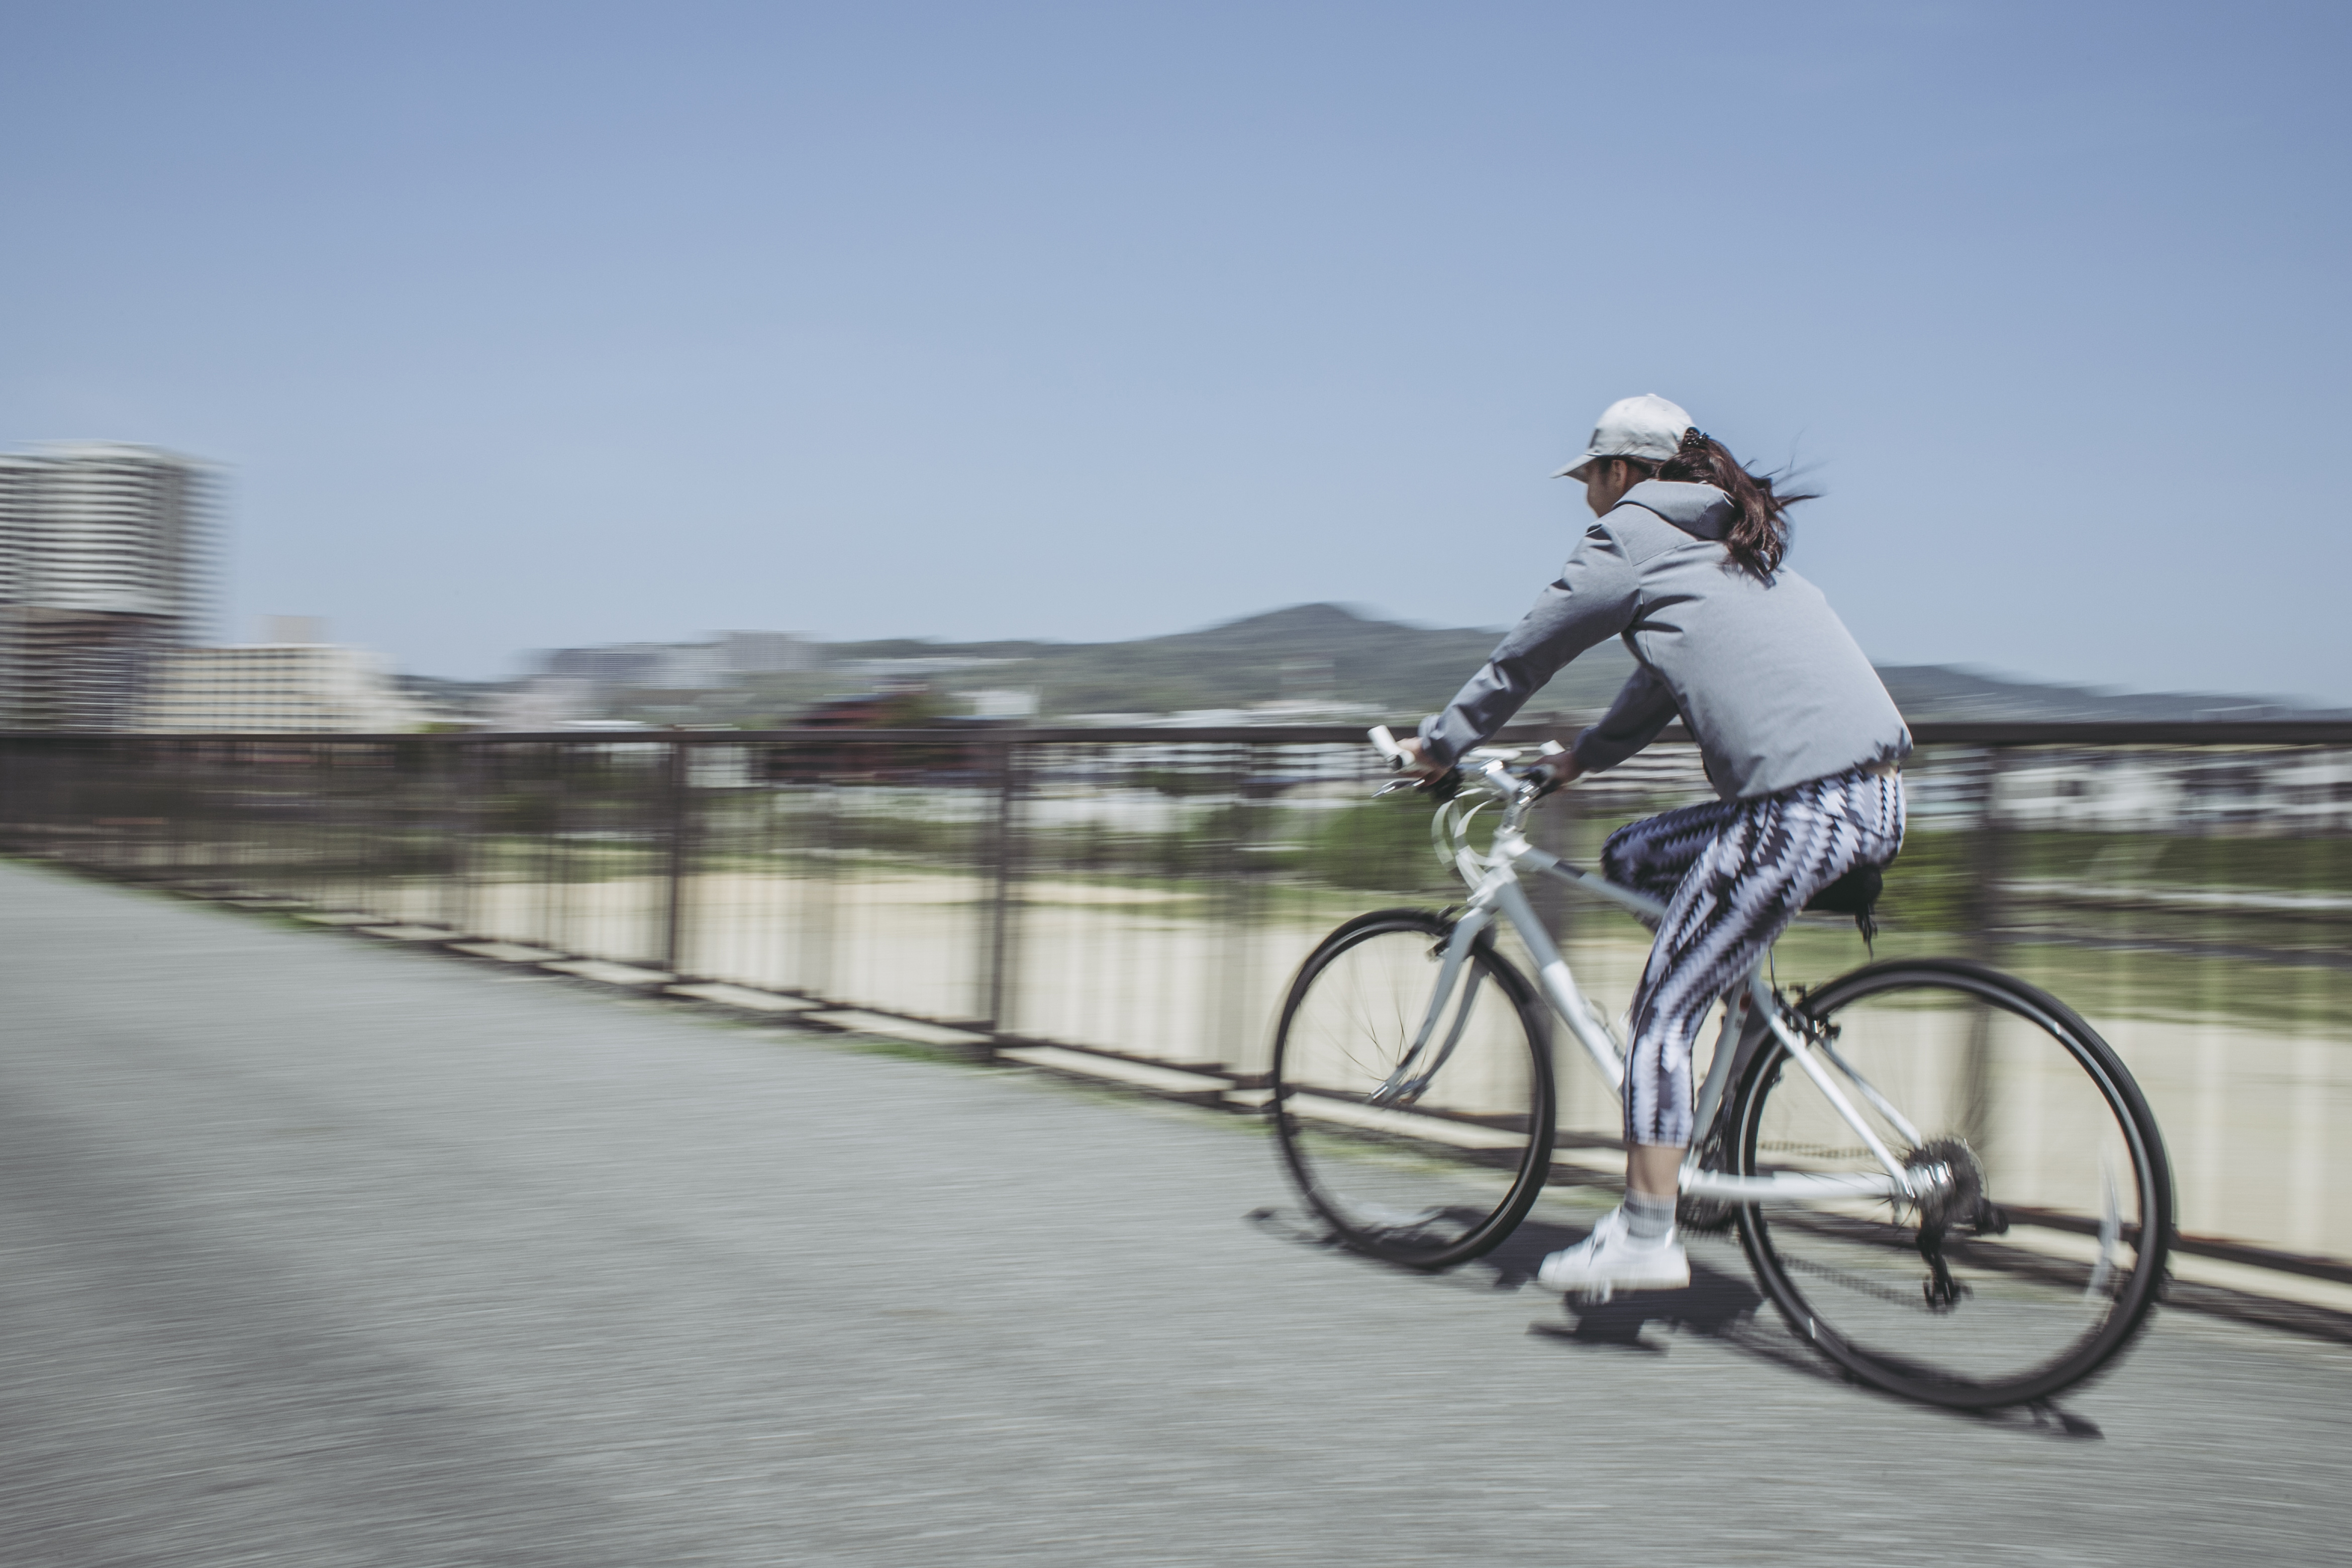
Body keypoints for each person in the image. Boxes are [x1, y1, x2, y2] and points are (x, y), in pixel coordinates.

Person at [1393, 393, 1910, 1294]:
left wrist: (1441, 747)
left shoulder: (1632, 535)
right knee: (1636, 857)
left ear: (1621, 472)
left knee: (1661, 1018)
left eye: (1589, 477)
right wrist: (1575, 763)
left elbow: (1527, 654)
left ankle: (1644, 1230)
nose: (1586, 496)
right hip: (1875, 797)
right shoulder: (1726, 543)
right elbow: (1662, 686)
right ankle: (1741, 1033)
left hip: (1794, 811)